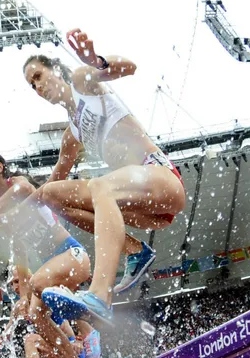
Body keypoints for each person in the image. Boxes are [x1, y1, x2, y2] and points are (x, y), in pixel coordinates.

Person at [18, 29, 186, 323]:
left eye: (39, 76)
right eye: (32, 85)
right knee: (50, 195)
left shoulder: (83, 81)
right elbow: (54, 180)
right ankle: (134, 249)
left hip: (161, 178)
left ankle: (99, 295)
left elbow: (129, 67)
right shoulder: (72, 133)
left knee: (99, 186)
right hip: (139, 208)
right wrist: (14, 211)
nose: (38, 87)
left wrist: (96, 60)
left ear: (55, 70)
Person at [0, 149, 95, 358]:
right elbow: (21, 256)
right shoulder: (7, 217)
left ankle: (89, 330)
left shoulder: (17, 184)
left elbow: (24, 191)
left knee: (40, 284)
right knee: (35, 312)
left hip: (72, 256)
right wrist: (23, 296)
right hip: (54, 268)